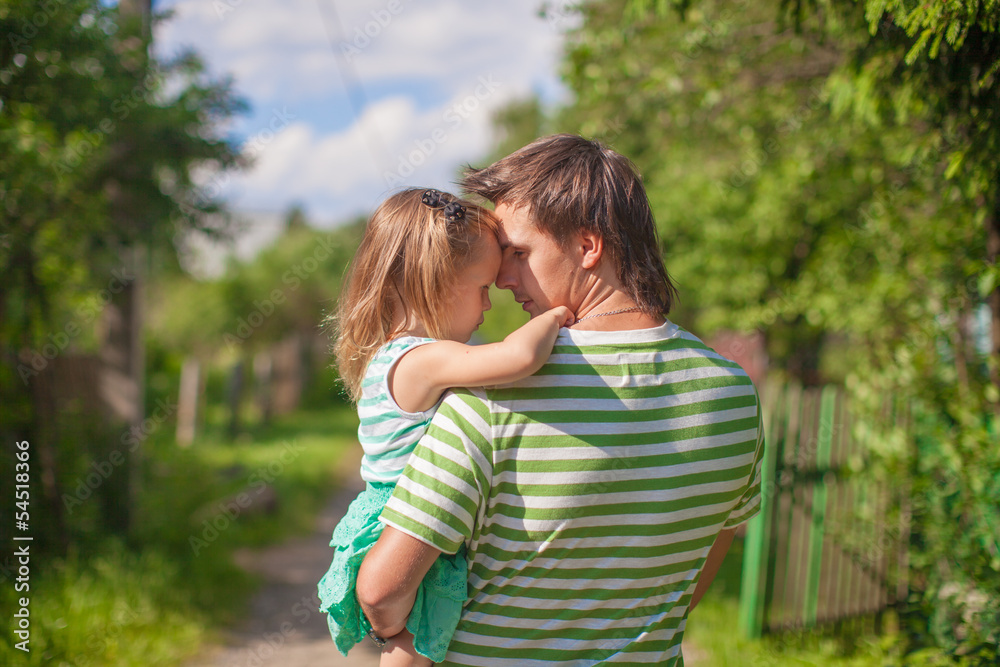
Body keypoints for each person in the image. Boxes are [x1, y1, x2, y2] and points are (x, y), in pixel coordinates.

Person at [355, 134, 765, 666]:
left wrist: (391, 634)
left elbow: (381, 591)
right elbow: (700, 568)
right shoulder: (735, 396)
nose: (504, 278)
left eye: (518, 254)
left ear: (588, 246)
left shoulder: (490, 398)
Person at [317, 187, 575, 667]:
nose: (489, 305)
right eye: (482, 289)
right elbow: (518, 357)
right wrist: (556, 316)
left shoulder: (395, 354)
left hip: (401, 511)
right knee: (413, 644)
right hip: (408, 518)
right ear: (435, 285)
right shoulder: (422, 359)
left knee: (420, 640)